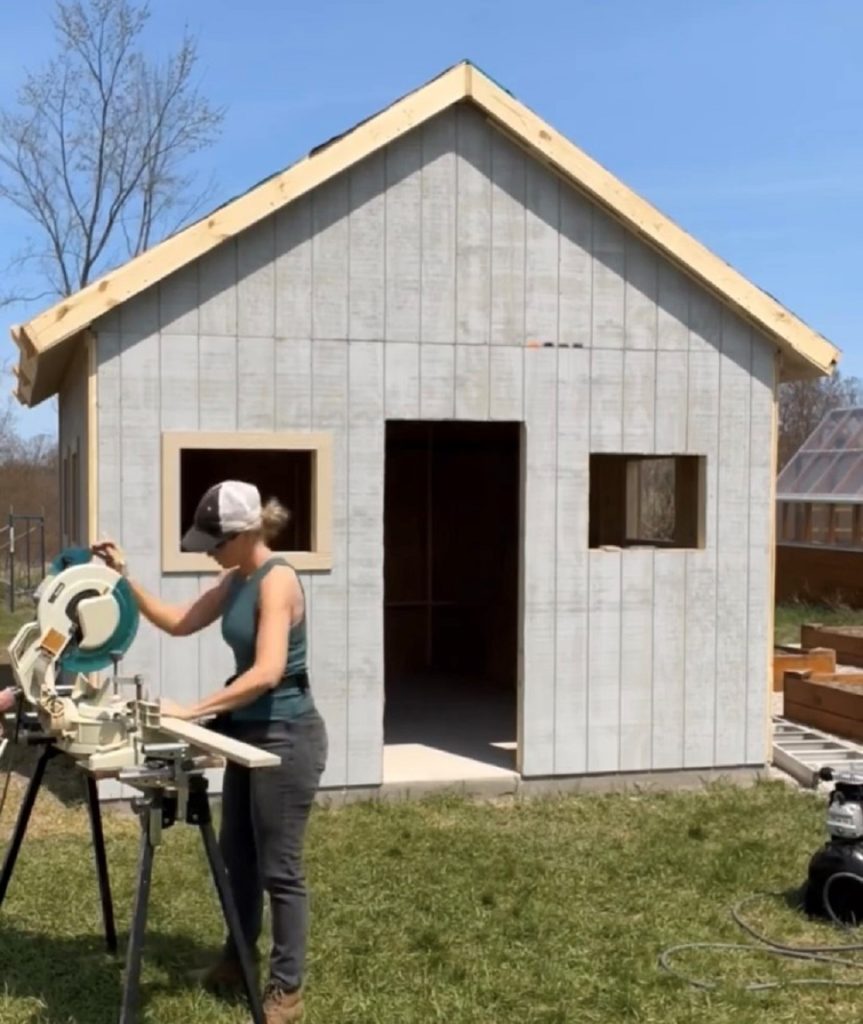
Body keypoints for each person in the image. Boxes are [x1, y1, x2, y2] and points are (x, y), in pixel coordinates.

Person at [92, 479, 327, 1024]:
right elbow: (178, 623)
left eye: (216, 542)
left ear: (247, 533)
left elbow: (268, 672)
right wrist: (123, 579)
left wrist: (191, 710)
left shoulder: (277, 581)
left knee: (280, 869)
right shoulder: (236, 577)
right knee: (237, 855)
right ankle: (235, 958)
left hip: (287, 736)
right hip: (246, 731)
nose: (209, 551)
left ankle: (285, 991)